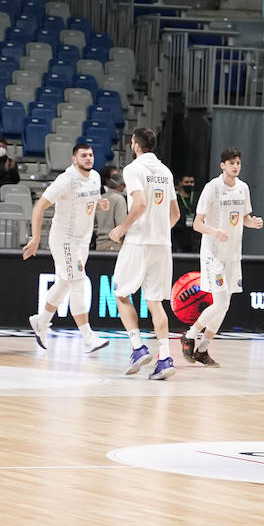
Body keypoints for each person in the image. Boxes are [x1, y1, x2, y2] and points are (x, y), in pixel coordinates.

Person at [179, 147, 263, 367]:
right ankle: (189, 335)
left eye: (238, 163)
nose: (235, 166)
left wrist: (252, 222)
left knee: (224, 305)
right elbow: (197, 224)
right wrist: (214, 232)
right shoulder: (212, 188)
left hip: (233, 255)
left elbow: (243, 217)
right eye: (231, 163)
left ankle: (203, 349)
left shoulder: (243, 188)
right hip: (213, 254)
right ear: (222, 165)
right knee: (221, 302)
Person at [109, 127, 180, 380]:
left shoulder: (133, 169)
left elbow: (139, 204)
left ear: (136, 145)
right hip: (162, 244)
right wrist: (158, 229)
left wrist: (122, 228)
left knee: (119, 292)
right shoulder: (166, 172)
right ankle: (164, 358)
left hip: (138, 241)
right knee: (155, 302)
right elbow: (176, 215)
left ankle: (138, 347)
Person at [24, 142, 108, 353]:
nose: (88, 158)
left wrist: (101, 204)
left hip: (83, 240)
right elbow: (39, 206)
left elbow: (90, 203)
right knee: (78, 282)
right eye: (84, 155)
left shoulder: (96, 177)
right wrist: (35, 238)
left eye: (90, 155)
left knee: (64, 283)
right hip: (65, 240)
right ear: (74, 159)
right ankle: (88, 337)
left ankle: (41, 321)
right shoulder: (65, 180)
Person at [93, 166, 126, 251]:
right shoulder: (119, 199)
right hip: (114, 245)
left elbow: (94, 223)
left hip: (99, 245)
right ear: (121, 185)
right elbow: (121, 224)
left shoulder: (100, 198)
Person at [173, 172, 198, 253]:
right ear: (180, 183)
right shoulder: (175, 199)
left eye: (191, 182)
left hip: (194, 237)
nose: (189, 184)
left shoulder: (197, 198)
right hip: (179, 236)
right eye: (186, 182)